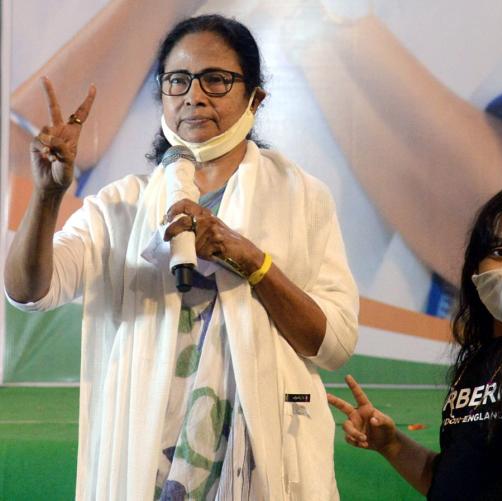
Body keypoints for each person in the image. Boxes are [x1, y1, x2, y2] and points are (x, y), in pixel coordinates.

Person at [4, 14, 358, 501]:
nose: (194, 95)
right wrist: (45, 197)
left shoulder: (302, 197)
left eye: (216, 80)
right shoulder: (122, 204)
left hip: (259, 467)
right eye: (178, 80)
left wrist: (251, 261)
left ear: (256, 97)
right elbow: (28, 292)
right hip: (148, 464)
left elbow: (334, 344)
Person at [329, 184, 502, 500]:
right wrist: (391, 444)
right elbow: (449, 480)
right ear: (475, 270)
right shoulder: (475, 362)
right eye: (500, 251)